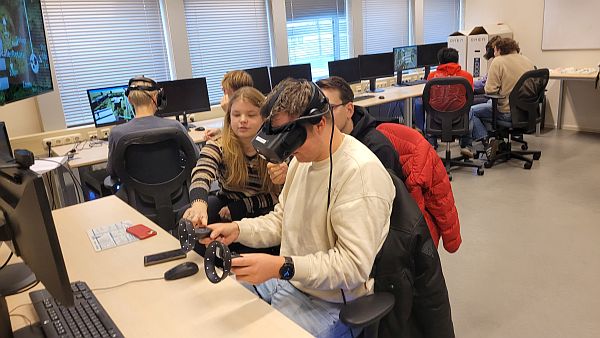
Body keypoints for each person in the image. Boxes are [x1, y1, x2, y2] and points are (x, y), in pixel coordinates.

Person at [193, 79, 395, 338]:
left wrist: (280, 266)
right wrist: (237, 229)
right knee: (213, 316)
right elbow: (281, 220)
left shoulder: (360, 174)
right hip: (289, 282)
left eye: (290, 140)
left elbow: (352, 268)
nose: (287, 151)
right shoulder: (304, 160)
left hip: (331, 303)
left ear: (320, 123)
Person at [183, 87, 280, 253]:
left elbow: (281, 196)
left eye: (251, 115)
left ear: (264, 118)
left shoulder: (276, 146)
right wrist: (199, 204)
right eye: (236, 115)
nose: (242, 120)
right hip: (228, 204)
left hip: (266, 207)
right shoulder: (218, 144)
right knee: (198, 220)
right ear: (229, 117)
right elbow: (202, 173)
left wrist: (244, 205)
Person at [267, 76, 401, 185]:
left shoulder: (377, 149)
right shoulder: (319, 143)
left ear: (349, 110)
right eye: (317, 110)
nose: (319, 117)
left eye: (329, 108)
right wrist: (291, 175)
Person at [107, 76, 200, 178]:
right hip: (175, 192)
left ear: (129, 99)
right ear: (156, 98)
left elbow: (112, 171)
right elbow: (195, 157)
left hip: (135, 193)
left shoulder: (116, 133)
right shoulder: (175, 127)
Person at [470, 37, 535, 158]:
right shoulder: (528, 61)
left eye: (494, 51)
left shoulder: (498, 61)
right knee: (488, 107)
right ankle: (499, 141)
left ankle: (487, 142)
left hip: (507, 112)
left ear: (498, 49)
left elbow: (489, 90)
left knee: (471, 112)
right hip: (527, 113)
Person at [426, 47, 475, 158]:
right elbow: (470, 97)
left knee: (423, 107)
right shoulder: (467, 76)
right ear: (457, 61)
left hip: (437, 118)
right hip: (459, 118)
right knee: (470, 110)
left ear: (440, 61)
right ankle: (465, 145)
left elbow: (428, 97)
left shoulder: (431, 76)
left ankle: (431, 143)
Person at [204, 70, 254, 140]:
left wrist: (229, 111)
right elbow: (234, 129)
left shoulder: (252, 111)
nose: (223, 93)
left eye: (224, 90)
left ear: (236, 92)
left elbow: (239, 137)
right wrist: (220, 131)